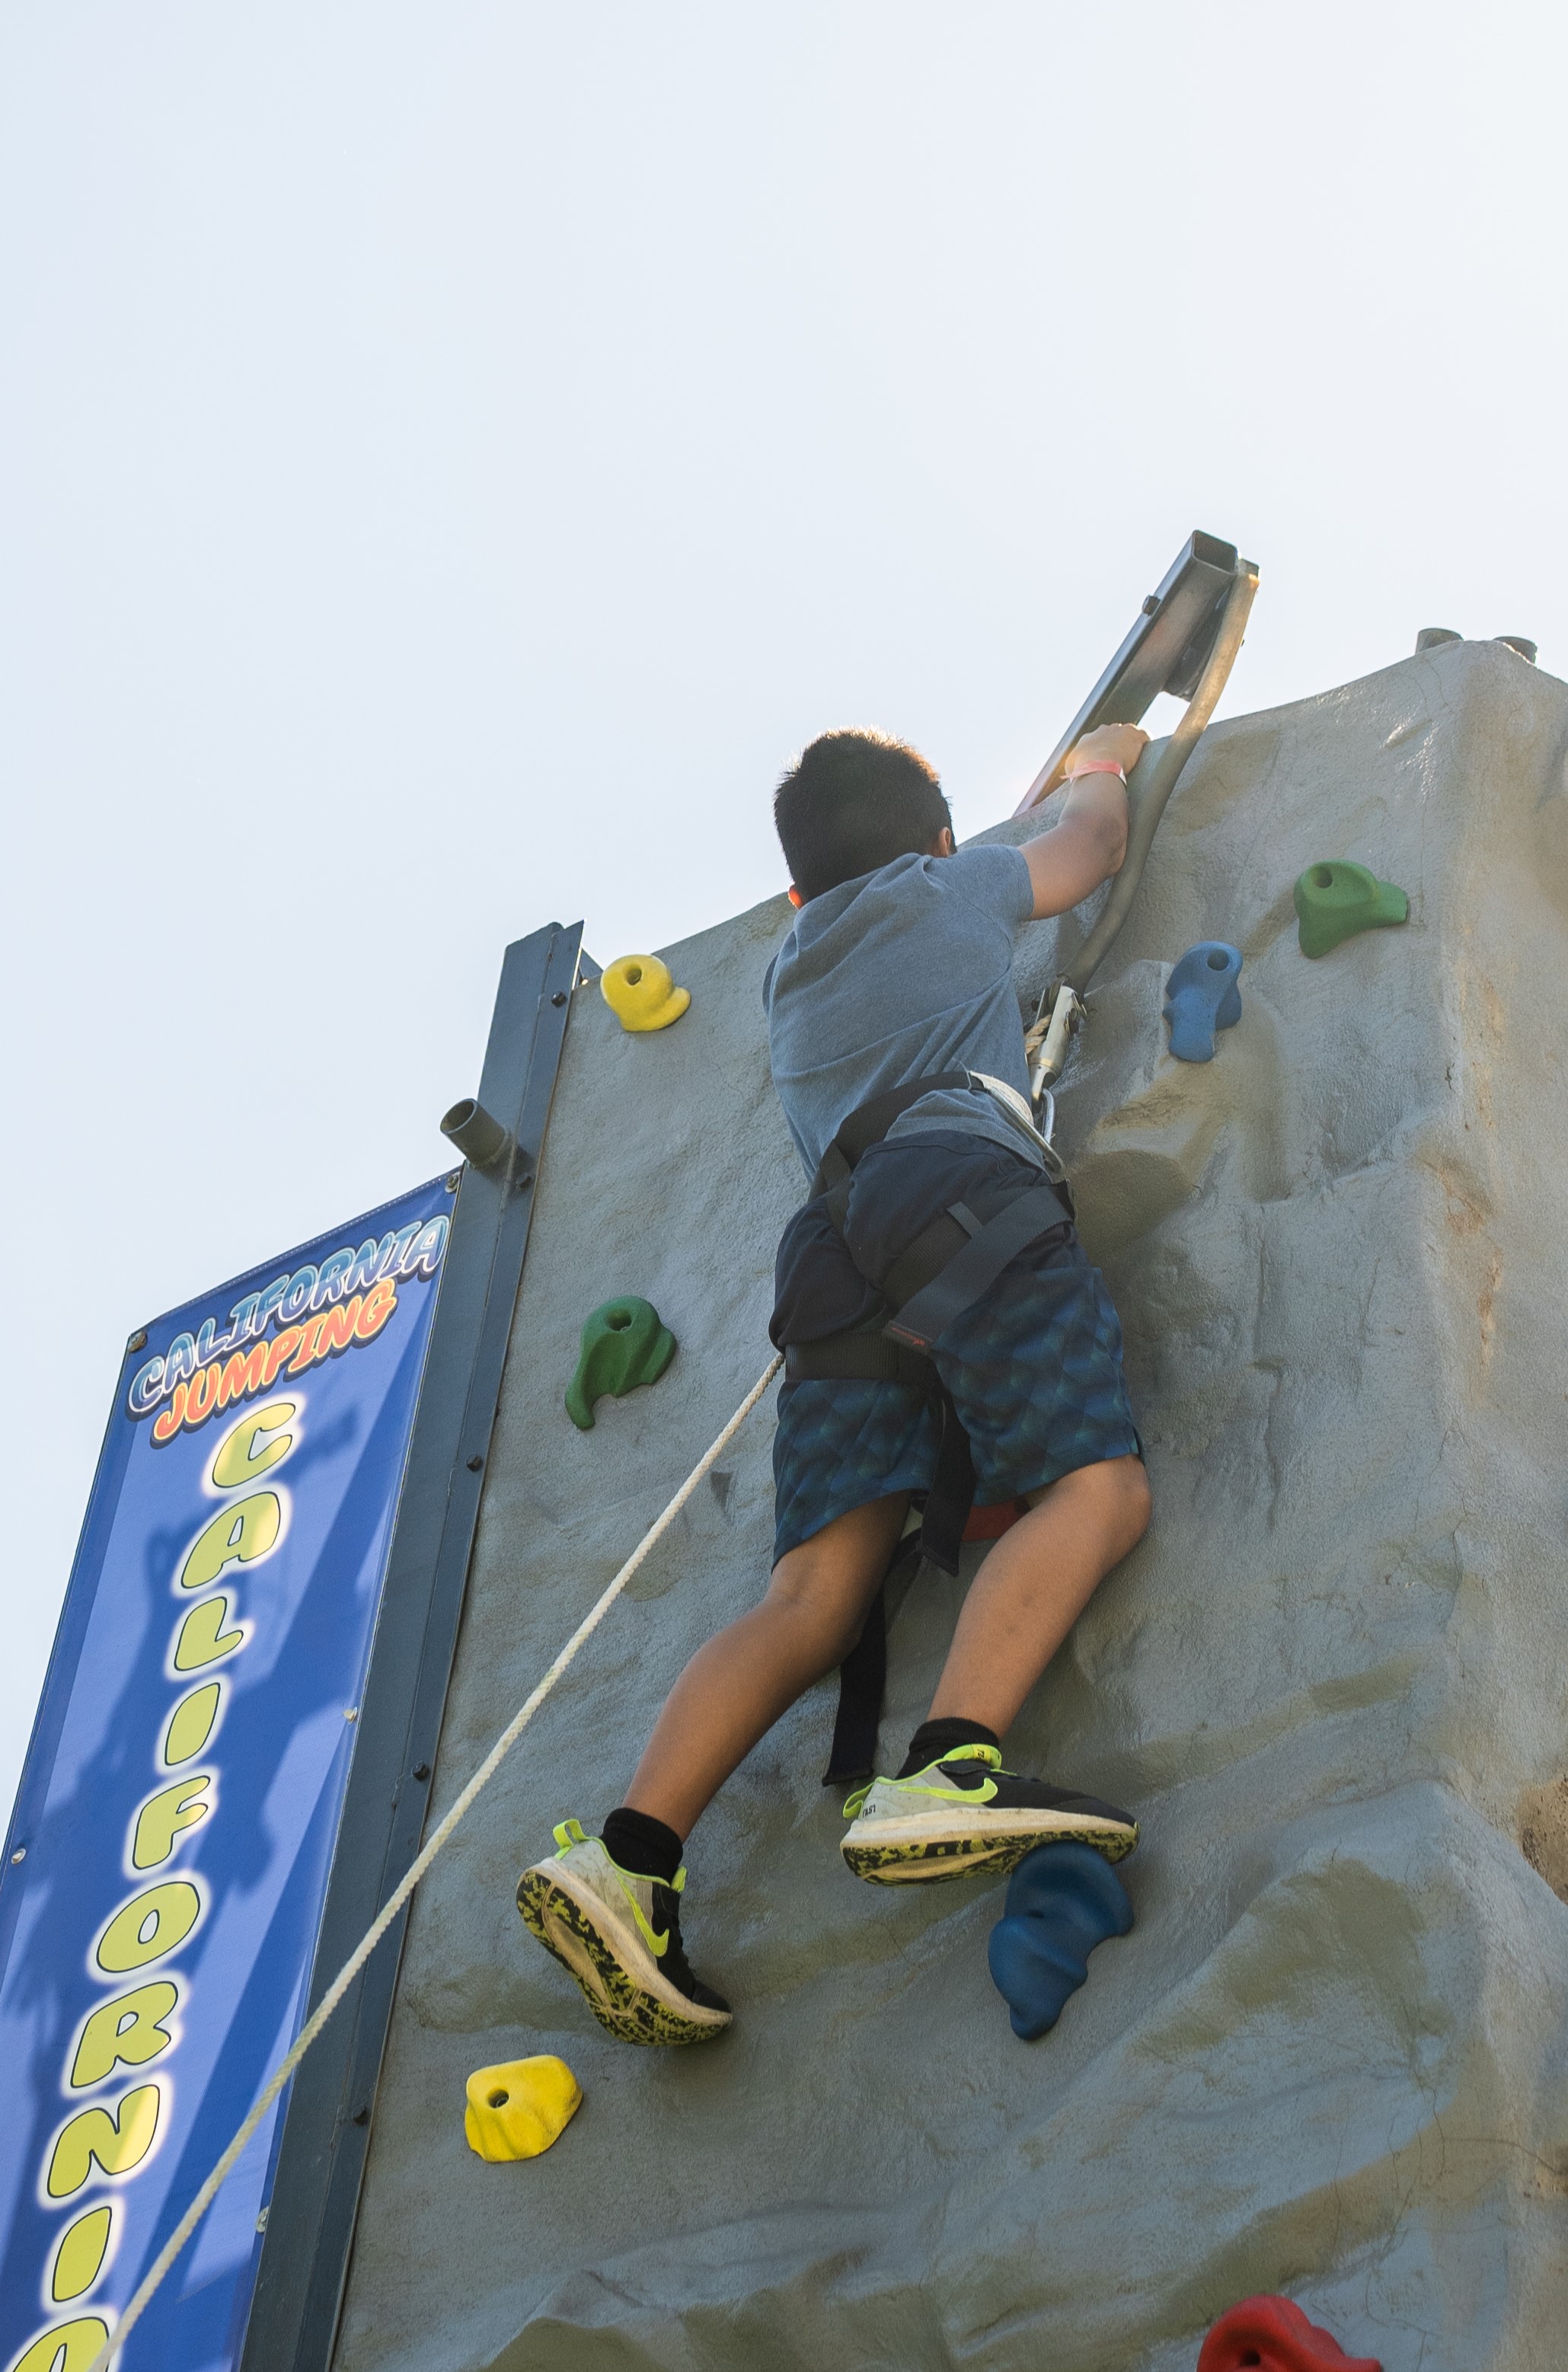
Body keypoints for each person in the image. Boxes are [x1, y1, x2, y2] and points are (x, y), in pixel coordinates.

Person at [516, 723, 1157, 2045]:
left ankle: (632, 1859)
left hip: (828, 1247)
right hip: (957, 1184)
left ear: (797, 895)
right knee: (1096, 1489)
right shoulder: (949, 885)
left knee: (813, 1589)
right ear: (935, 845)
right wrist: (1100, 768)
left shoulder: (789, 971)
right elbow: (1085, 853)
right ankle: (948, 1765)